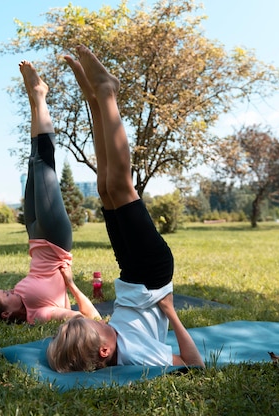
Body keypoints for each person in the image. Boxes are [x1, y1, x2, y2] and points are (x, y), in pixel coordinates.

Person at [46, 45, 204, 371]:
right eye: (97, 326)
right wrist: (171, 312)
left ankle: (95, 101)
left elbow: (90, 317)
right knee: (121, 187)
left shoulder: (107, 341)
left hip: (132, 279)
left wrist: (74, 288)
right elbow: (194, 363)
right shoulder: (137, 354)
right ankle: (106, 92)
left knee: (105, 189)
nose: (100, 321)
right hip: (152, 274)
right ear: (105, 351)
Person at [0, 60, 100, 324]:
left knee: (33, 160)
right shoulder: (39, 314)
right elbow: (92, 320)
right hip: (54, 241)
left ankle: (35, 99)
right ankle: (40, 95)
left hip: (35, 238)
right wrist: (72, 286)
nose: (10, 290)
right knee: (43, 163)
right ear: (6, 313)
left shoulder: (20, 299)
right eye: (6, 294)